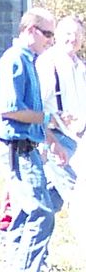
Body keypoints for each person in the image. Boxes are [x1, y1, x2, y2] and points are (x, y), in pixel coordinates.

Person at [0, 7, 66, 272]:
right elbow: (10, 109)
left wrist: (51, 139)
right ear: (30, 30)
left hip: (25, 146)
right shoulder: (15, 60)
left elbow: (28, 113)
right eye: (48, 34)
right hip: (16, 148)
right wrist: (50, 118)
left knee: (24, 211)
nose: (50, 41)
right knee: (40, 211)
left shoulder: (28, 60)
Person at [36, 14, 86, 208]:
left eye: (77, 34)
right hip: (56, 140)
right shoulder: (49, 63)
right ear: (56, 35)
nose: (72, 39)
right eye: (67, 33)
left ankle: (15, 230)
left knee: (51, 201)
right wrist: (50, 129)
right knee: (77, 196)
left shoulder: (80, 67)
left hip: (77, 141)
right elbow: (35, 106)